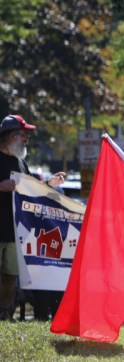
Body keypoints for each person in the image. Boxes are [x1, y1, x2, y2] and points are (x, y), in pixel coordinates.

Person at [0, 115, 65, 320]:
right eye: (24, 134)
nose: (27, 138)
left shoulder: (21, 163)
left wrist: (49, 184)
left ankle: (4, 314)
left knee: (10, 277)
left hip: (14, 232)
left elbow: (31, 190)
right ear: (11, 136)